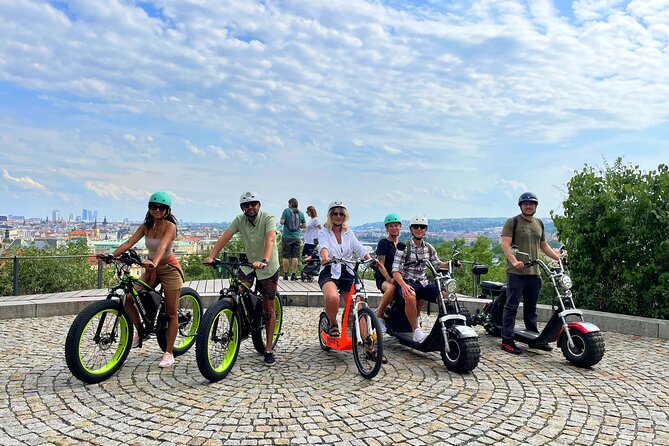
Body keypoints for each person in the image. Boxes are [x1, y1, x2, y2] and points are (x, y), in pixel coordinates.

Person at [204, 191, 281, 366]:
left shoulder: (268, 218)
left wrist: (265, 259)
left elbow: (270, 239)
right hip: (248, 264)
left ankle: (268, 349)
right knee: (236, 291)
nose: (250, 207)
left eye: (253, 204)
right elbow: (225, 236)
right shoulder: (240, 220)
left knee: (268, 308)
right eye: (246, 205)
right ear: (242, 208)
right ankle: (241, 325)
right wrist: (212, 256)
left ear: (259, 205)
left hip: (267, 266)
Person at [112, 191, 183, 368]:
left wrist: (154, 262)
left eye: (161, 207)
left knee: (171, 312)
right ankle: (141, 331)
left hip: (168, 269)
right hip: (151, 269)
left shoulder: (170, 226)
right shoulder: (146, 226)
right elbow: (129, 242)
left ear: (167, 210)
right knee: (128, 298)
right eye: (153, 207)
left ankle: (169, 352)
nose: (157, 210)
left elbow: (163, 246)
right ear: (149, 208)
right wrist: (111, 256)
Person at [500, 192, 562, 354]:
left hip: (535, 273)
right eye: (525, 203)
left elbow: (543, 245)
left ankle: (534, 339)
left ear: (536, 206)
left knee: (531, 308)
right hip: (516, 272)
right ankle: (507, 340)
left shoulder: (538, 223)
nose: (528, 206)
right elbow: (505, 245)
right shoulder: (512, 222)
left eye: (532, 203)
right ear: (520, 206)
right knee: (511, 307)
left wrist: (558, 258)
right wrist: (514, 261)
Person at [318, 201, 373, 338]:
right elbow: (323, 247)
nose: (338, 216)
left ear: (345, 216)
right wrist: (325, 257)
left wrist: (370, 259)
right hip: (329, 269)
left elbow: (359, 248)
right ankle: (332, 323)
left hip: (347, 271)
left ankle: (367, 341)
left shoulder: (349, 233)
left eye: (341, 214)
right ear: (330, 215)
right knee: (332, 297)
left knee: (358, 304)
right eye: (335, 213)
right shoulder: (324, 231)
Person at [391, 216, 450, 343]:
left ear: (425, 230)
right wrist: (403, 286)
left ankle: (445, 327)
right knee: (410, 296)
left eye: (422, 227)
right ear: (411, 230)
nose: (419, 229)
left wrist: (451, 263)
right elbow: (395, 271)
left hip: (422, 282)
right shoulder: (404, 248)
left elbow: (437, 264)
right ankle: (416, 331)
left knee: (445, 296)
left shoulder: (429, 248)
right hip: (407, 281)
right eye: (416, 227)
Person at [374, 213, 402, 334]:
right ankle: (379, 317)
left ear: (400, 227)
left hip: (398, 277)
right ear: (387, 228)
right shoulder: (383, 243)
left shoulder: (401, 245)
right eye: (391, 226)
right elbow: (381, 264)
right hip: (383, 278)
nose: (394, 228)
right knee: (391, 289)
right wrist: (389, 278)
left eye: (396, 225)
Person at [280, 198, 306, 281]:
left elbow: (281, 222)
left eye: (288, 203)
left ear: (290, 204)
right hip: (296, 237)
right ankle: (293, 274)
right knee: (295, 256)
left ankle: (285, 274)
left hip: (286, 237)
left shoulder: (286, 211)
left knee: (286, 257)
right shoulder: (300, 213)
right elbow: (305, 225)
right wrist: (298, 226)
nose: (288, 205)